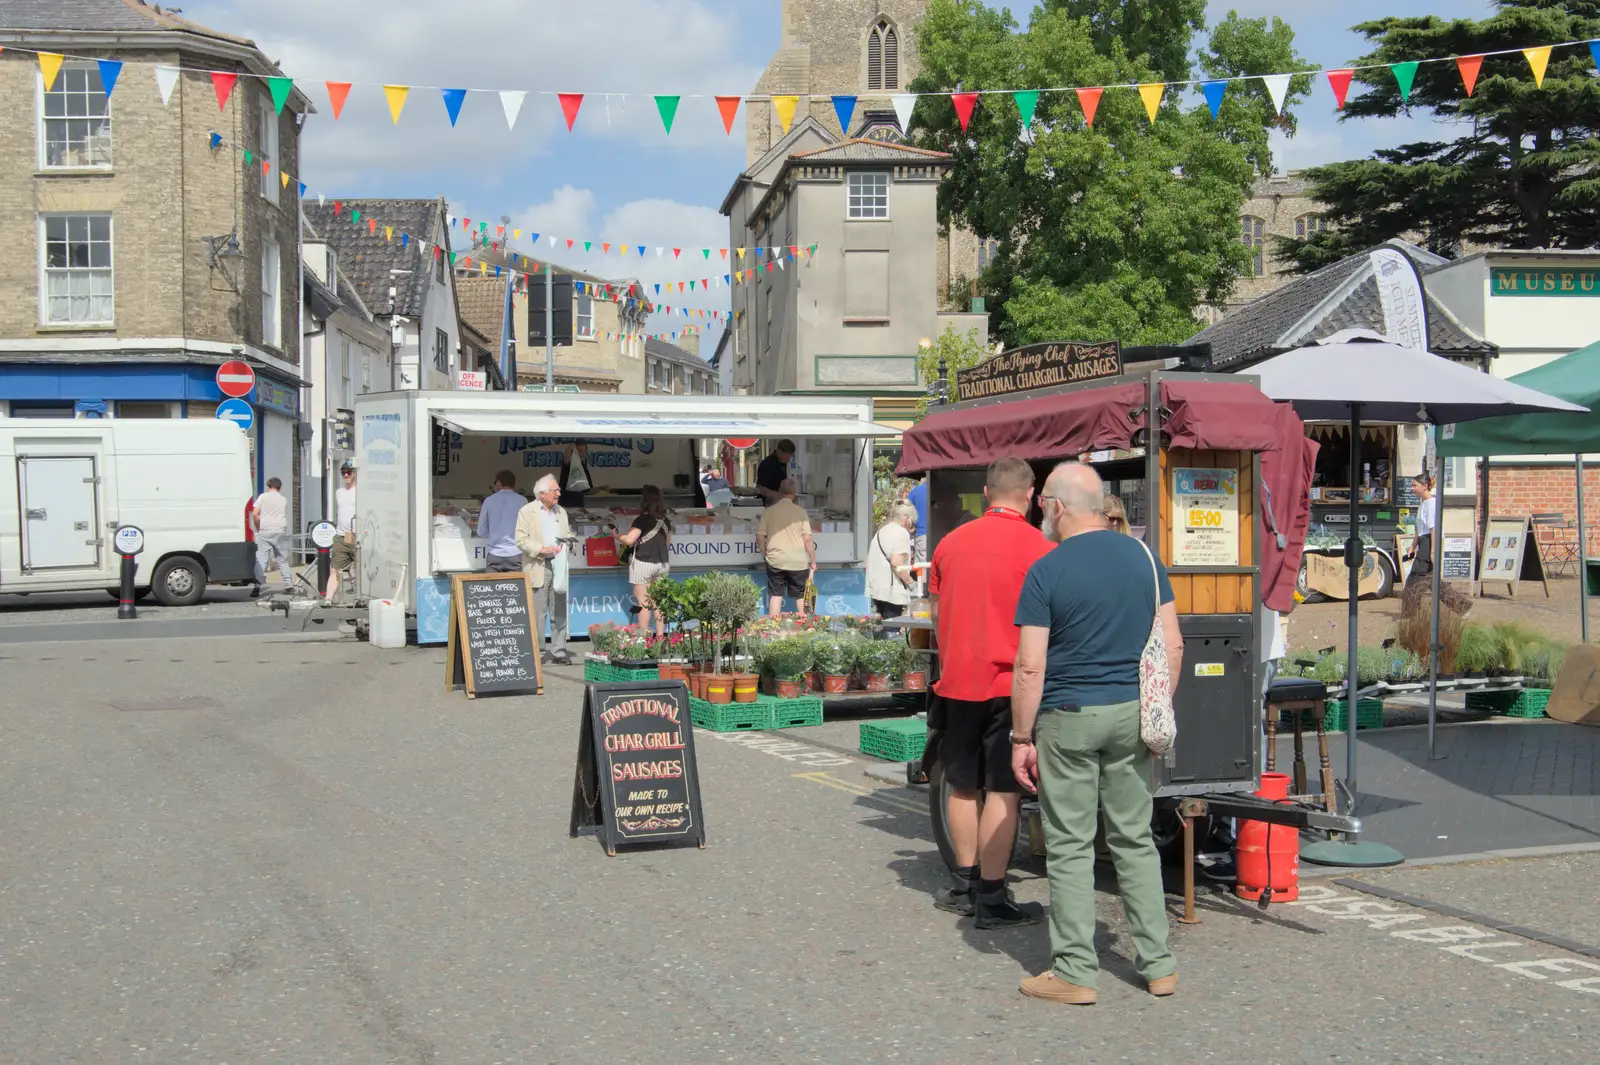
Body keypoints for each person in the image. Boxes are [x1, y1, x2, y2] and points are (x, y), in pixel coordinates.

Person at [1011, 462, 1181, 1005]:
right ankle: (1158, 965)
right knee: (1134, 839)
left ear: (1057, 507)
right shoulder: (1144, 558)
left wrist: (1020, 737)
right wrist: (1156, 706)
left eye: (1044, 507)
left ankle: (1076, 972)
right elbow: (1173, 645)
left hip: (1068, 716)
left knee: (1069, 845)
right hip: (1131, 712)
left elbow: (1030, 667)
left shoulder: (1046, 569)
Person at [926, 456, 1053, 926]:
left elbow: (937, 618)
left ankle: (964, 883)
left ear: (985, 493)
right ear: (1030, 496)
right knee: (1003, 790)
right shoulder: (1040, 548)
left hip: (957, 680)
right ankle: (993, 896)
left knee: (961, 785)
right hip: (1010, 685)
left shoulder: (950, 544)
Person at [515, 474, 573, 665]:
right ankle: (536, 652)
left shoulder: (561, 512)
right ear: (542, 493)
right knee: (538, 612)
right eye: (555, 490)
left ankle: (559, 651)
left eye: (558, 490)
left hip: (559, 564)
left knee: (559, 610)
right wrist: (541, 549)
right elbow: (521, 540)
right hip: (538, 564)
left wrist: (569, 542)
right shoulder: (527, 511)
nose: (559, 493)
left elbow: (567, 532)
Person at [756, 478, 816, 616]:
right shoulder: (801, 512)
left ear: (779, 492)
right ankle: (804, 626)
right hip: (798, 562)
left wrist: (764, 553)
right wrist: (813, 561)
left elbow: (759, 536)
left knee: (776, 595)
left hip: (775, 560)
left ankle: (773, 629)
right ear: (794, 493)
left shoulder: (769, 511)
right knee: (801, 595)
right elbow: (808, 539)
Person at [621, 484, 671, 635]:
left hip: (643, 563)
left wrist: (616, 535)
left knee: (643, 603)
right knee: (659, 603)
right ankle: (661, 636)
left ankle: (643, 638)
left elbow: (629, 540)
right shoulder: (666, 521)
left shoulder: (641, 520)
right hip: (662, 564)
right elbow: (667, 544)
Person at [867, 500, 917, 619]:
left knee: (882, 629)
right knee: (892, 630)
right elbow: (897, 563)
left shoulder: (881, 531)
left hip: (878, 589)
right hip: (892, 591)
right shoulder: (901, 533)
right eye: (912, 521)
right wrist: (911, 583)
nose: (912, 525)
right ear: (906, 518)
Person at [477, 469, 526, 574]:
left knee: (493, 588)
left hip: (494, 553)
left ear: (499, 482)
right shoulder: (522, 501)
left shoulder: (488, 501)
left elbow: (481, 531)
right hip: (516, 553)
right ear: (514, 484)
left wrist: (494, 533)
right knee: (516, 588)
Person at [251, 477, 295, 595]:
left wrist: (257, 527)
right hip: (280, 530)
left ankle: (257, 587)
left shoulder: (263, 497)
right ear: (280, 487)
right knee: (282, 559)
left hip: (265, 530)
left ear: (268, 486)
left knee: (261, 560)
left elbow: (255, 513)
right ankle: (289, 585)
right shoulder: (283, 499)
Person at [324, 463, 358, 604]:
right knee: (335, 570)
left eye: (348, 472)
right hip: (342, 536)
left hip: (357, 535)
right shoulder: (339, 492)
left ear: (355, 473)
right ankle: (328, 599)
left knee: (360, 569)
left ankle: (360, 597)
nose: (345, 475)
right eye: (343, 472)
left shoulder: (360, 491)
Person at [1404, 472, 1436, 587]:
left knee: (1416, 576)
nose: (1413, 488)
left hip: (1429, 541)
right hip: (1423, 541)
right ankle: (1460, 604)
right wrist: (1412, 547)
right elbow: (1419, 529)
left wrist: (1432, 552)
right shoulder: (1423, 504)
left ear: (1425, 486)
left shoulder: (1432, 504)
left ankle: (1411, 601)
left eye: (1415, 485)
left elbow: (1434, 529)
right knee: (1433, 580)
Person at [755, 439, 796, 506]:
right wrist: (777, 495)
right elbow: (759, 488)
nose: (788, 459)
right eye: (786, 456)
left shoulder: (785, 465)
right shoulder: (767, 464)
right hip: (766, 504)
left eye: (790, 456)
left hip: (781, 503)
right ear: (779, 451)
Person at [559, 443, 599, 510]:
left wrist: (601, 488)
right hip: (564, 504)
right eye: (579, 450)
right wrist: (571, 446)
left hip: (578, 505)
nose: (582, 453)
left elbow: (587, 490)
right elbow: (565, 459)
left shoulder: (583, 468)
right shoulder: (569, 464)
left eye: (584, 451)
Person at [907, 478, 929, 562]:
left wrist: (911, 526)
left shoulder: (916, 491)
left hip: (922, 534)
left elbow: (906, 508)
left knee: (922, 567)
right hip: (941, 534)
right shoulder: (942, 490)